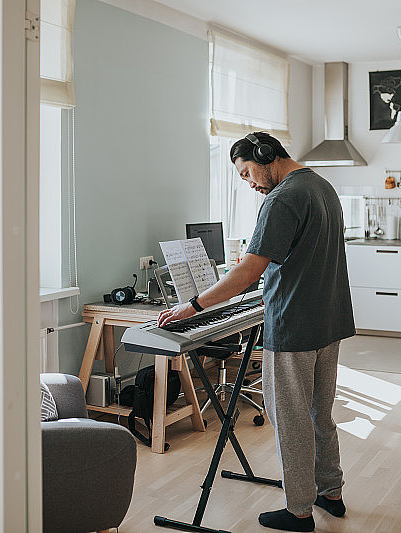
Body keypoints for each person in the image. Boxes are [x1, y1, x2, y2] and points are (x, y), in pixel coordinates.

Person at [158, 131, 355, 532]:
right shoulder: (322, 187)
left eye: (248, 172)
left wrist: (192, 305)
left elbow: (249, 270)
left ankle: (299, 510)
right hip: (329, 321)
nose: (249, 182)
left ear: (267, 157)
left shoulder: (282, 197)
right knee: (320, 413)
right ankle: (329, 492)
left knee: (291, 418)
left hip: (295, 325)